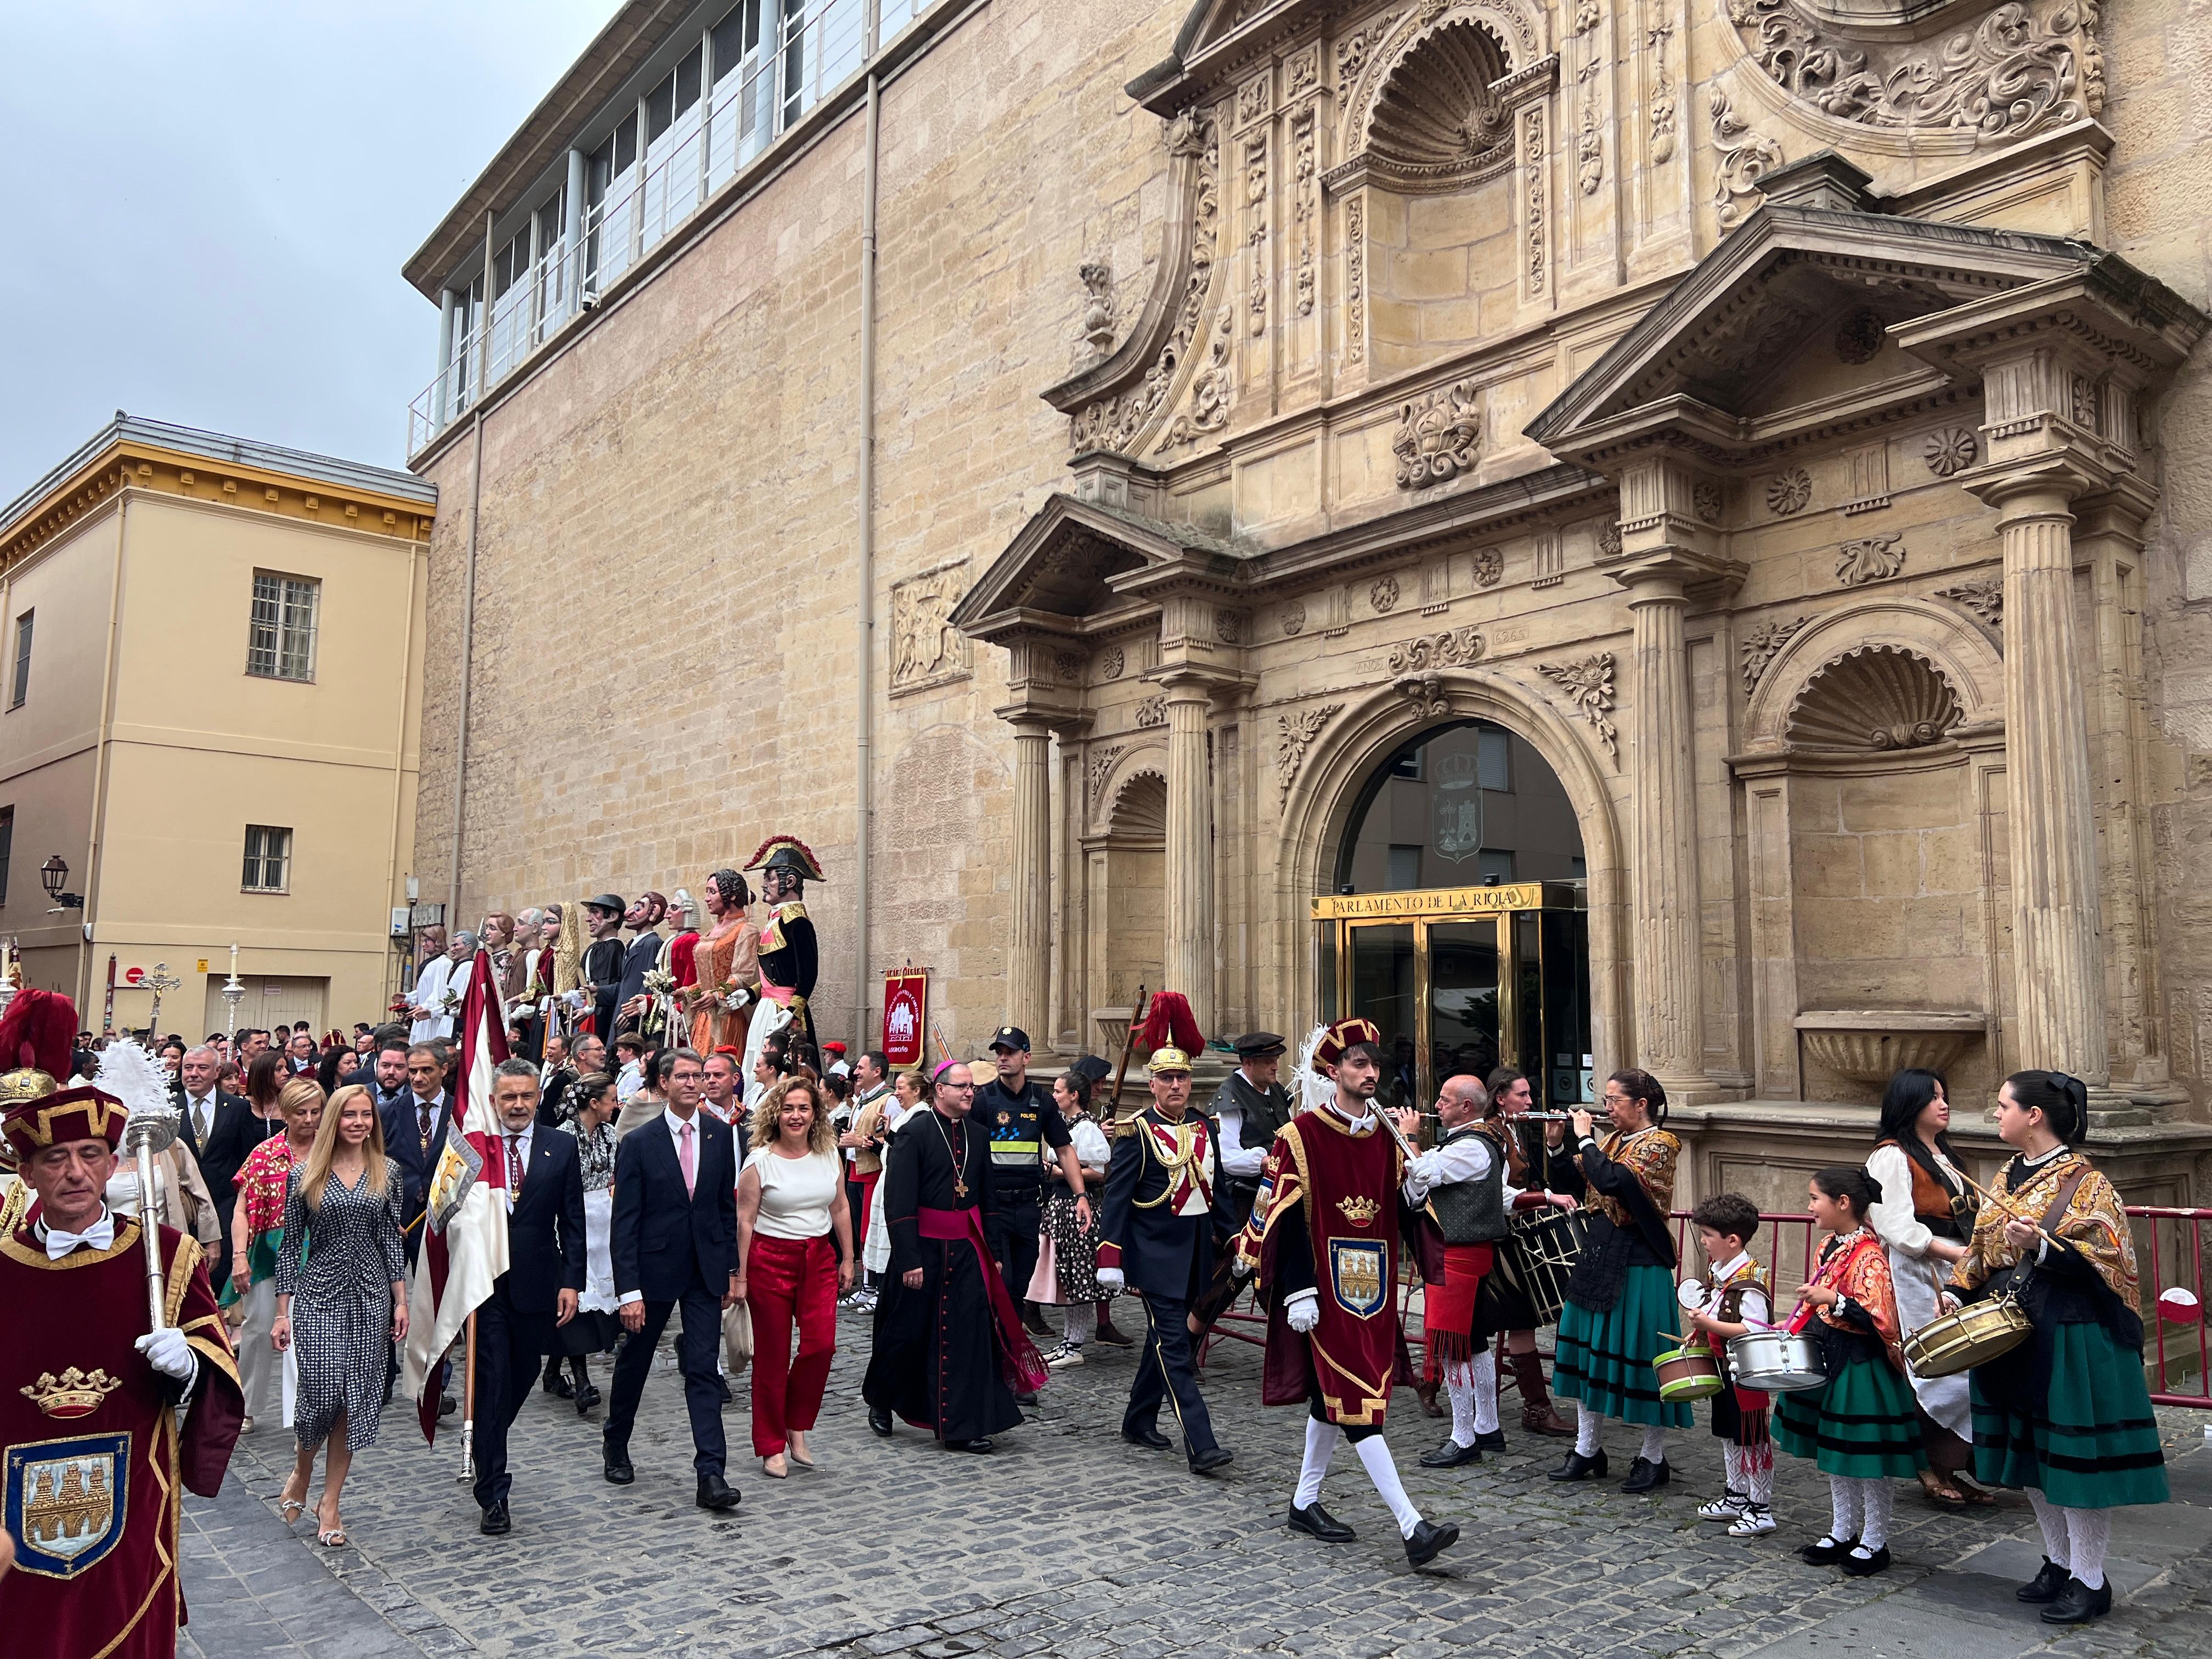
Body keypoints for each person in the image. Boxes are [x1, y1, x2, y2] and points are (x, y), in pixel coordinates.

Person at [0, 1076, 245, 1659]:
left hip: (133, 1496)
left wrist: (187, 1369)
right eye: (54, 1159)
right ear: (27, 1174)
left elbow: (217, 1366)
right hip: (11, 1504)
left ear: (114, 1165)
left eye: (89, 1156)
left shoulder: (166, 1255)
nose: (75, 1173)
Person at [1235, 1019, 1460, 1566]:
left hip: (1374, 1291)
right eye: (1358, 1064)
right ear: (1332, 1071)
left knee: (1332, 1397)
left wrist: (1414, 1187)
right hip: (1324, 1289)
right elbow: (1283, 1223)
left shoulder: (1385, 1136)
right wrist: (1298, 1291)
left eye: (1374, 1065)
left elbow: (1402, 1212)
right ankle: (1412, 1527)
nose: (1370, 1073)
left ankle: (1304, 1500)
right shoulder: (1301, 1136)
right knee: (1360, 1406)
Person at [1951, 1070, 2168, 1626]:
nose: (1995, 1114)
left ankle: (2091, 1580)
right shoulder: (2005, 1172)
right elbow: (1980, 1245)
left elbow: (2113, 1261)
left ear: (2034, 1116)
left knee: (2072, 1463)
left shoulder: (2090, 1182)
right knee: (2032, 1457)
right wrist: (1957, 1289)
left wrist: (2043, 1249)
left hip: (2067, 1331)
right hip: (2008, 1329)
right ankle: (2059, 1562)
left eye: (2003, 1106)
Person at [863, 1060, 1047, 1450]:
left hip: (966, 1251)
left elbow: (989, 1200)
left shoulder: (979, 1136)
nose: (969, 1093)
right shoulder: (913, 1134)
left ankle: (964, 1424)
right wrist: (909, 1258)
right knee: (906, 1333)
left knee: (967, 1335)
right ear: (939, 1091)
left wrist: (994, 1251)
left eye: (972, 1088)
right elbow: (899, 1203)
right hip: (922, 1251)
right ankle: (881, 1398)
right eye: (961, 1086)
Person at [1396, 1073, 1573, 1468]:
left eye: (1444, 1100)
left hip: (1456, 1257)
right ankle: (1488, 1427)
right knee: (1473, 1343)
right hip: (1460, 1254)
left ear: (1466, 1107)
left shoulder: (1472, 1146)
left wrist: (1406, 1135)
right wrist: (1544, 1196)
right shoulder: (1477, 1142)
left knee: (1451, 1348)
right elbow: (1495, 1195)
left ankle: (1463, 1437)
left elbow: (1422, 1172)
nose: (1436, 1106)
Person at [602, 1048, 742, 1511]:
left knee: (703, 1368)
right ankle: (616, 1440)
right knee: (636, 1361)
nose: (691, 1083)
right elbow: (625, 1222)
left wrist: (729, 1269)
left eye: (698, 1076)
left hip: (703, 1272)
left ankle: (711, 1473)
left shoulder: (721, 1137)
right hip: (653, 1271)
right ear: (663, 1083)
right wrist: (630, 1291)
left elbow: (725, 1208)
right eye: (681, 1076)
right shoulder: (640, 1142)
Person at [270, 1085, 408, 1548]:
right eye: (349, 1115)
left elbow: (392, 1239)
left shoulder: (387, 1171)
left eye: (366, 1115)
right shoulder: (304, 1173)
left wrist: (401, 1299)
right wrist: (282, 1311)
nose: (358, 1123)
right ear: (334, 1119)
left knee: (355, 1398)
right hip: (319, 1294)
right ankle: (302, 1469)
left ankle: (330, 1503)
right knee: (323, 1388)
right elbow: (292, 1245)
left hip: (370, 1297)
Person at [1775, 1166, 1923, 1577]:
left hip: (1862, 1364)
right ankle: (1843, 1530)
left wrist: (1833, 1300)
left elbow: (1881, 1317)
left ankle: (1875, 1539)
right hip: (1830, 1354)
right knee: (1836, 1453)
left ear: (1843, 1203)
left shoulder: (1870, 1256)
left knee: (1867, 1457)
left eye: (1815, 1199)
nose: (1809, 1207)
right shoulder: (1829, 1246)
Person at [1093, 1046, 1234, 1475]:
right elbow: (1116, 1199)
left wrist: (1239, 1240)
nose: (1176, 1085)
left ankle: (1137, 1420)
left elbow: (1218, 1192)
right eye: (1167, 1079)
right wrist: (1110, 1256)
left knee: (1163, 1339)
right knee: (1175, 1346)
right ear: (1151, 1084)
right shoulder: (1137, 1132)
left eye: (1183, 1078)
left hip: (1194, 1254)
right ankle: (1202, 1444)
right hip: (1153, 1256)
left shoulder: (1205, 1127)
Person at [1550, 1068, 1687, 1491]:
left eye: (1613, 1100)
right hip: (1599, 1251)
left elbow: (1613, 1181)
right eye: (1605, 1099)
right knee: (1586, 1353)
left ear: (1641, 1105)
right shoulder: (1611, 1140)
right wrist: (1558, 1144)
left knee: (1645, 1357)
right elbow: (1569, 1182)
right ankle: (1587, 1448)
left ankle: (1653, 1457)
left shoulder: (1661, 1143)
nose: (1606, 1107)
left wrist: (1586, 1139)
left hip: (1640, 1256)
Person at [471, 1059, 586, 1536]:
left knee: (522, 1375)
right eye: (508, 1097)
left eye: (526, 1096)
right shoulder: (476, 1147)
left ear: (538, 1097)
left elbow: (573, 1218)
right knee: (493, 1380)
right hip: (485, 1285)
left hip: (538, 1282)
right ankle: (494, 1490)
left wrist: (572, 1282)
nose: (517, 1105)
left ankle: (487, 1436)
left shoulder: (560, 1146)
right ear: (494, 1100)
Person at [1867, 1066, 1988, 1507]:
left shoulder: (1945, 1156)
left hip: (1957, 1272)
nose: (1944, 1103)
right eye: (1932, 1097)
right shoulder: (1892, 1156)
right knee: (1937, 1368)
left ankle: (1950, 1463)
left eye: (1944, 1095)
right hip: (1917, 1273)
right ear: (1910, 1103)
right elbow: (1895, 1225)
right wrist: (1951, 1253)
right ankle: (1930, 1465)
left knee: (1967, 1366)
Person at [736, 1078, 855, 1477]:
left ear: (815, 1115)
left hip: (818, 1257)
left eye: (804, 1108)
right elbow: (745, 1221)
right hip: (769, 1258)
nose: (796, 1116)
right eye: (789, 1109)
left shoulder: (827, 1155)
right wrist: (741, 1276)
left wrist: (849, 1258)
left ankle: (797, 1423)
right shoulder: (759, 1161)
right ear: (776, 1114)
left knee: (821, 1346)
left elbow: (840, 1208)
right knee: (772, 1357)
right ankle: (771, 1445)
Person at [973, 1026, 1090, 1355]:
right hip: (992, 1208)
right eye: (999, 1052)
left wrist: (1081, 1196)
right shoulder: (983, 1100)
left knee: (1020, 1286)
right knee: (1002, 1285)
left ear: (1027, 1057)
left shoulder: (1041, 1101)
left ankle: (1005, 1352)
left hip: (1028, 1208)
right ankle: (1000, 1354)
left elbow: (1065, 1150)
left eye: (1010, 1052)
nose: (1002, 1058)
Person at [226, 1078, 326, 1434]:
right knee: (256, 1328)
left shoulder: (332, 1152)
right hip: (269, 1252)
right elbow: (241, 1210)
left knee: (307, 1331)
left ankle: (306, 1410)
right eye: (301, 1112)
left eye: (316, 1111)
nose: (310, 1120)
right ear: (284, 1113)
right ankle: (248, 1406)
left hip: (319, 1252)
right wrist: (239, 1255)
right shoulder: (264, 1154)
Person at [1683, 1193, 1778, 1538]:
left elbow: (1753, 1328)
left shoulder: (1749, 1282)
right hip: (1723, 1365)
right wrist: (1701, 1331)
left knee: (1752, 1439)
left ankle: (1760, 1507)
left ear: (1732, 1240)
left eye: (1708, 1236)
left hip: (1746, 1373)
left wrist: (1710, 1327)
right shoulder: (1719, 1271)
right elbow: (1716, 1309)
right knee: (1727, 1433)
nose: (1704, 1242)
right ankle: (1736, 1494)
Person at [1028, 1065, 1113, 1365]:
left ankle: (1074, 1346)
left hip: (1077, 1207)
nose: (1054, 1096)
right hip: (1060, 1206)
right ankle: (1069, 1342)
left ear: (1074, 1096)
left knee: (1077, 1277)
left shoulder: (1086, 1127)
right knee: (1067, 1277)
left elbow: (1100, 1172)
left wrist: (1057, 1172)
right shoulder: (1067, 1124)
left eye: (1058, 1091)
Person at [546, 1071, 621, 1409]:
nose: (616, 1105)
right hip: (574, 1223)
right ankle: (582, 1382)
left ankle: (552, 1373)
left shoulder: (609, 1134)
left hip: (604, 1227)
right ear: (594, 1102)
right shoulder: (563, 1137)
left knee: (596, 1300)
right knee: (576, 1294)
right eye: (611, 1099)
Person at [743, 835, 822, 1054]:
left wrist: (793, 1010)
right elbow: (777, 974)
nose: (764, 885)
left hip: (785, 1009)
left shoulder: (798, 924)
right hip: (767, 1007)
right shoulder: (774, 921)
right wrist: (751, 993)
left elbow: (807, 974)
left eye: (770, 879)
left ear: (789, 883)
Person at [614, 892, 669, 1037]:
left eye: (638, 909)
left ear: (653, 912)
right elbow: (625, 984)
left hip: (634, 1020)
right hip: (622, 1014)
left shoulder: (653, 944)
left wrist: (632, 1012)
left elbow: (650, 984)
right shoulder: (632, 945)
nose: (628, 913)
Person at [408, 930, 474, 1044]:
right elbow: (444, 997)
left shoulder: (469, 967)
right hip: (446, 1021)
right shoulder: (457, 967)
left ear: (469, 947)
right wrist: (431, 1011)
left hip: (455, 1023)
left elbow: (462, 999)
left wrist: (433, 1012)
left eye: (456, 945)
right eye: (452, 945)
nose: (452, 949)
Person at [578, 894, 628, 1041]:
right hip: (586, 1014)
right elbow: (581, 983)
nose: (588, 919)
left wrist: (588, 1010)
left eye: (595, 912)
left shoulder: (614, 948)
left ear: (612, 916)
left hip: (600, 1019)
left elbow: (607, 988)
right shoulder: (591, 949)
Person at [701, 1046, 745, 1126]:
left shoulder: (748, 1118)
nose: (711, 1080)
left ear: (735, 1079)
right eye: (707, 1076)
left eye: (718, 1075)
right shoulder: (692, 1115)